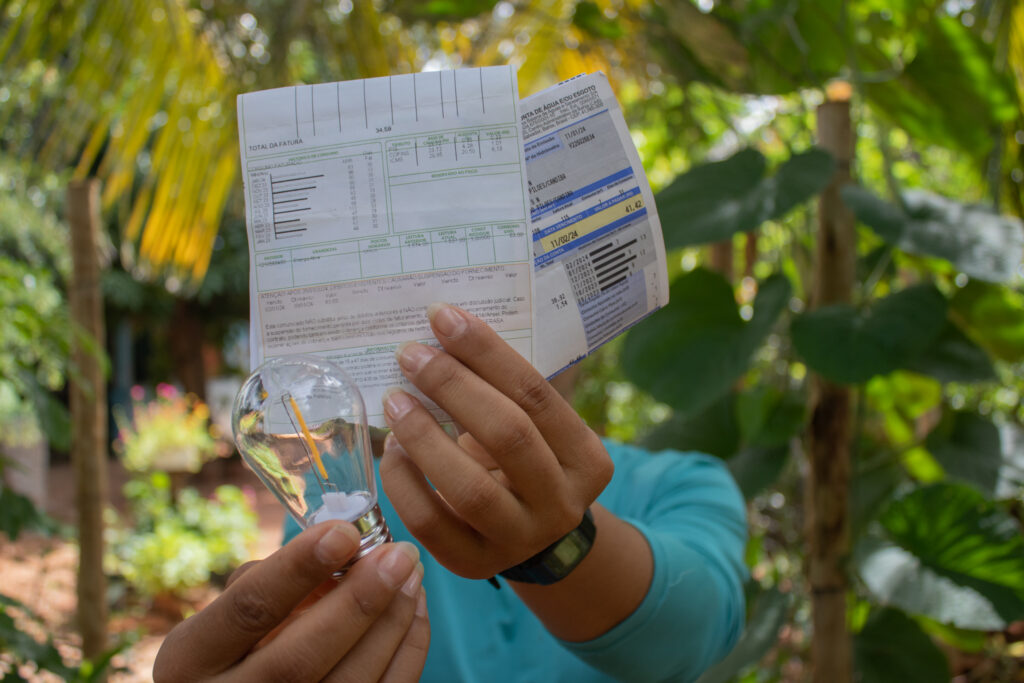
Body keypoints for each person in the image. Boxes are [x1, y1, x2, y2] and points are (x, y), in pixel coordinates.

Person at [155, 303, 747, 682]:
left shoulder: (686, 484)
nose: (483, 327)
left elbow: (692, 633)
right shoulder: (346, 501)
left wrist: (554, 543)